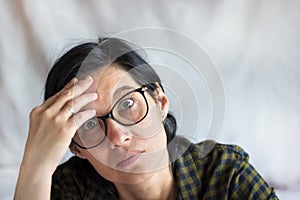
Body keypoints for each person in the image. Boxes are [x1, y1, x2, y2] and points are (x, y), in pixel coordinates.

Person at [14, 37, 279, 199]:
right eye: (90, 124)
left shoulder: (226, 175)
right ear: (75, 147)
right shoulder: (67, 188)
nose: (118, 136)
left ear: (160, 101)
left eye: (128, 103)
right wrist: (35, 168)